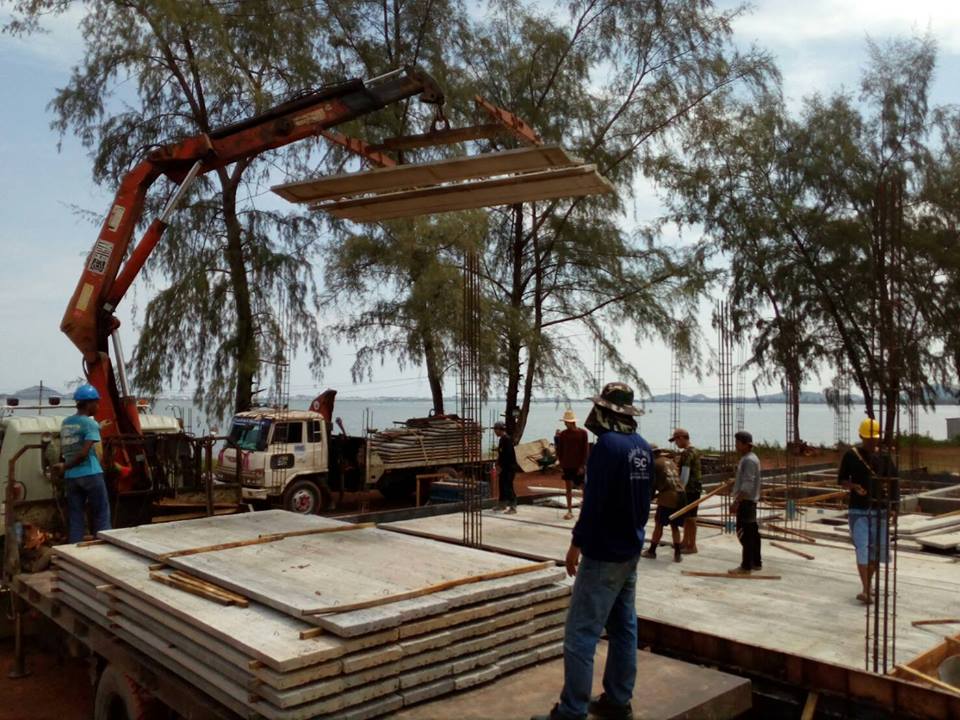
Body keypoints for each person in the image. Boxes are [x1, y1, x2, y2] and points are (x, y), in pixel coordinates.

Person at [533, 382, 652, 720]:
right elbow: (646, 501)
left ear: (606, 411)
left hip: (603, 553)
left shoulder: (607, 448)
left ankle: (572, 711)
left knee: (580, 635)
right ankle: (618, 700)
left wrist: (576, 544)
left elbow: (594, 503)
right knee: (624, 628)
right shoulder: (642, 447)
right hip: (630, 550)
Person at [838, 417, 898, 604]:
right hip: (858, 510)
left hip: (880, 510)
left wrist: (894, 507)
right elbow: (841, 480)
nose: (872, 442)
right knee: (862, 549)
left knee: (876, 552)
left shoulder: (884, 457)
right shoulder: (851, 455)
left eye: (874, 439)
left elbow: (894, 482)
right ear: (861, 436)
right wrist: (854, 486)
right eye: (869, 439)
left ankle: (868, 585)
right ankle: (865, 589)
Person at [56, 384, 110, 544]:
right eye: (97, 403)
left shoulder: (66, 423)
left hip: (71, 477)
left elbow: (73, 442)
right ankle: (105, 545)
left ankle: (74, 547)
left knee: (76, 515)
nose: (98, 406)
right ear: (89, 404)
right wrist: (65, 466)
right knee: (101, 512)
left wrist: (65, 467)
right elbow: (83, 454)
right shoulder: (89, 423)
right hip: (90, 473)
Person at [640, 447, 684, 563]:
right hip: (680, 495)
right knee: (674, 525)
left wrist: (648, 498)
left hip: (668, 497)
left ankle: (652, 551)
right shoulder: (670, 462)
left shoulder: (654, 464)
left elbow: (652, 484)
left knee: (659, 524)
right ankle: (678, 554)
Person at [729, 430, 762, 575]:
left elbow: (748, 484)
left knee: (745, 534)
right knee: (753, 533)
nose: (736, 445)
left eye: (737, 443)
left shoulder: (749, 460)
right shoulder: (751, 458)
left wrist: (736, 502)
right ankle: (756, 562)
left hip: (746, 502)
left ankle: (746, 565)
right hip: (750, 502)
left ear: (745, 444)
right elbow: (746, 479)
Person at [671, 428, 702, 554]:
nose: (676, 443)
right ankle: (685, 542)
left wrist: (680, 488)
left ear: (682, 438)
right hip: (694, 488)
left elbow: (685, 473)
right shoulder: (694, 451)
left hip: (690, 490)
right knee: (687, 517)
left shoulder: (687, 453)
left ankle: (692, 545)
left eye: (676, 440)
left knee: (691, 518)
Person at [555, 409, 589, 520]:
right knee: (568, 488)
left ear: (572, 422)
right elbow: (559, 450)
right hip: (567, 465)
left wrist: (582, 465)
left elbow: (585, 450)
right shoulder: (563, 434)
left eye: (567, 422)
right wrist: (560, 462)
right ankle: (569, 511)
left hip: (578, 465)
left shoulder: (583, 433)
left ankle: (585, 510)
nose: (565, 423)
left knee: (583, 488)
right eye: (565, 422)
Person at [493, 421, 518, 514]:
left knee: (508, 486)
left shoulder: (507, 440)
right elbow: (501, 454)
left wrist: (501, 466)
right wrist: (497, 462)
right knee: (502, 485)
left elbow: (508, 455)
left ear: (500, 429)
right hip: (504, 467)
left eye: (495, 429)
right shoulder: (502, 439)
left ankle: (513, 506)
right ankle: (502, 504)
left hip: (509, 468)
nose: (495, 432)